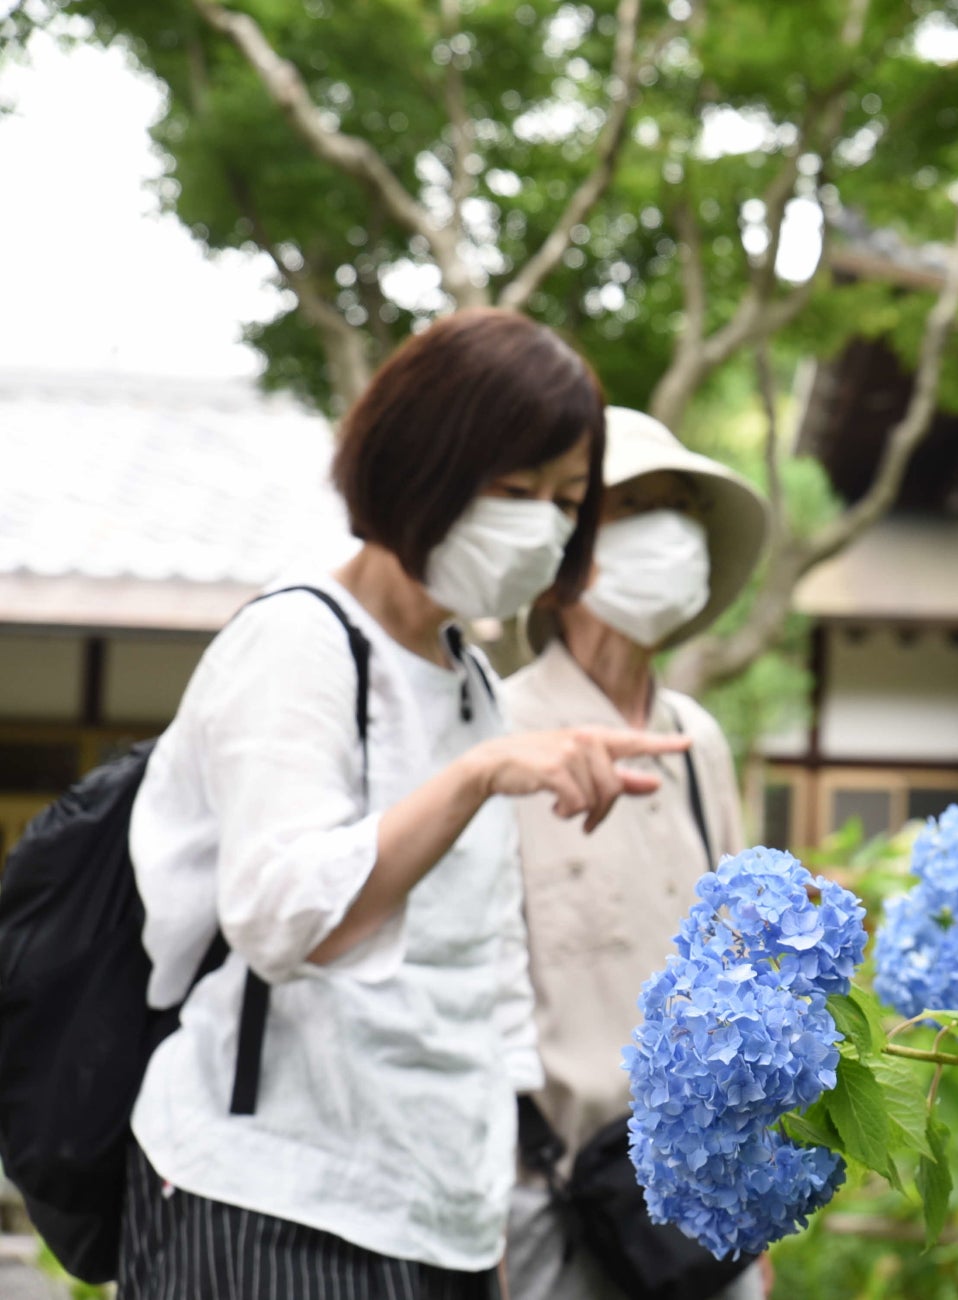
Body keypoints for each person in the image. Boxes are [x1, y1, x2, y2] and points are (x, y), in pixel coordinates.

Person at [122, 310, 690, 1300]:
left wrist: (499, 1176)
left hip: (438, 1213)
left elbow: (479, 957)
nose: (544, 529)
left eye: (566, 501)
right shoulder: (300, 643)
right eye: (514, 491)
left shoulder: (467, 674)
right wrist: (477, 777)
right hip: (273, 1199)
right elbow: (287, 917)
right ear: (422, 465)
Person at [502, 407, 770, 1300]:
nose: (669, 531)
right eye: (628, 507)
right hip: (553, 1202)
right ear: (559, 559)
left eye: (677, 505)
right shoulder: (497, 735)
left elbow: (742, 974)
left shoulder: (698, 742)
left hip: (708, 1198)